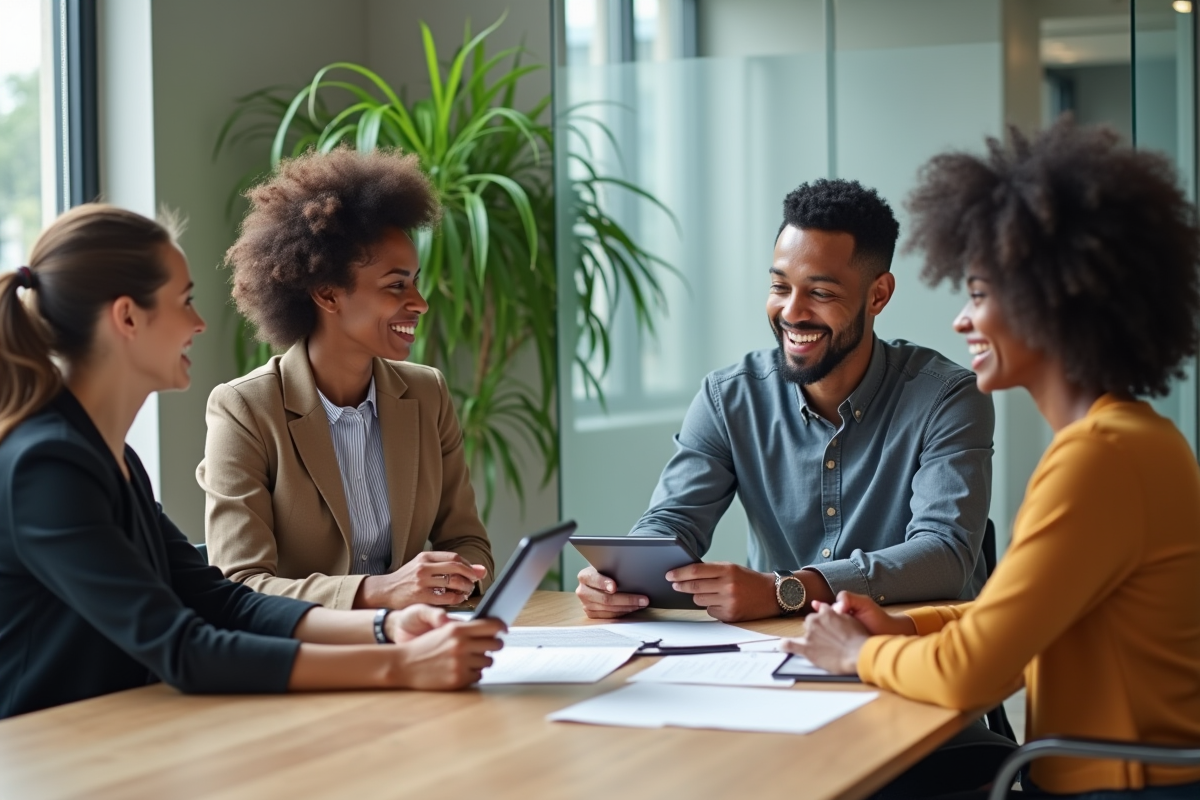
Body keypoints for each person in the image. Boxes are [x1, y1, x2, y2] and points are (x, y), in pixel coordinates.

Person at [786, 119, 1200, 799]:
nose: (961, 320)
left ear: (1053, 303)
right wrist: (903, 624)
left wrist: (860, 653)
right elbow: (1013, 618)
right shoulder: (1130, 439)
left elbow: (973, 674)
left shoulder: (1101, 458)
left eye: (978, 294)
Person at [0, 204, 504, 720]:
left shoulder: (110, 457)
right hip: (48, 757)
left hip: (115, 736)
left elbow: (222, 601)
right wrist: (398, 666)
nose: (198, 322)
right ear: (128, 317)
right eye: (185, 301)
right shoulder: (47, 466)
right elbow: (185, 648)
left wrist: (385, 628)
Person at [577, 179, 995, 622]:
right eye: (780, 287)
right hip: (781, 657)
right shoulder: (728, 398)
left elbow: (944, 553)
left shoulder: (947, 397)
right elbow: (673, 522)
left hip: (917, 658)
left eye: (820, 293)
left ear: (878, 295)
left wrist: (789, 590)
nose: (792, 313)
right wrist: (622, 576)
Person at [198, 148, 494, 611]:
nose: (419, 303)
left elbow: (469, 542)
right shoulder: (246, 411)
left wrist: (455, 579)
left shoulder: (426, 393)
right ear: (327, 293)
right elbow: (241, 584)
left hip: (418, 640)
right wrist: (380, 592)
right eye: (396, 285)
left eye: (415, 281)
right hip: (314, 656)